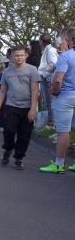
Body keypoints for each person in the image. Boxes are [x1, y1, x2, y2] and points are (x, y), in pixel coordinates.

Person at [0, 46, 40, 169]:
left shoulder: (32, 70)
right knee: (9, 131)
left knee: (24, 134)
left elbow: (35, 91)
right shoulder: (7, 72)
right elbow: (2, 91)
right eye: (16, 55)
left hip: (27, 107)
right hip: (11, 106)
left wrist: (33, 108)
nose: (19, 58)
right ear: (11, 57)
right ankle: (8, 149)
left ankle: (18, 157)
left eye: (21, 55)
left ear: (26, 56)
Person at [39, 27, 75, 173]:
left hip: (65, 96)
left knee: (63, 132)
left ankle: (59, 164)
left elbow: (58, 80)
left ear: (70, 41)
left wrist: (54, 91)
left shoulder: (66, 57)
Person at [38, 33, 59, 128]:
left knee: (49, 102)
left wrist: (45, 75)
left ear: (41, 41)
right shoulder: (47, 50)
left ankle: (51, 123)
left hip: (47, 79)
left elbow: (54, 65)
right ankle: (49, 122)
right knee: (46, 102)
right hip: (45, 78)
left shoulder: (50, 50)